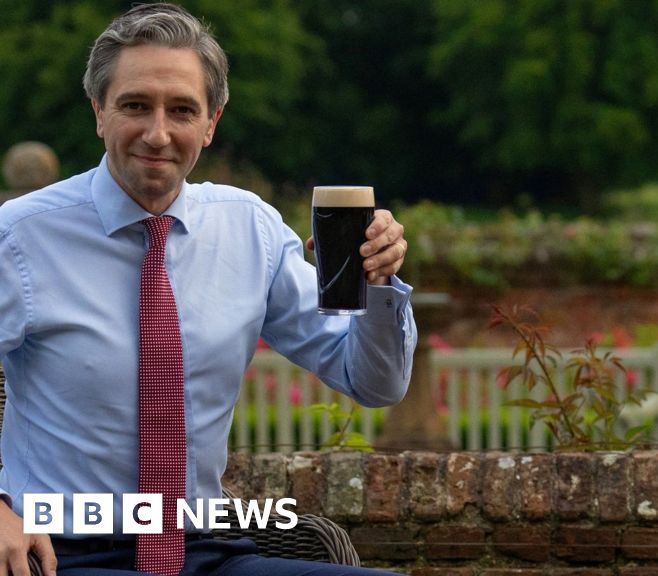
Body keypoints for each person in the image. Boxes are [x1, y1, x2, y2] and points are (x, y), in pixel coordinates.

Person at [0, 3, 416, 575]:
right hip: (65, 553)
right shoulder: (19, 237)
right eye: (135, 106)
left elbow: (374, 382)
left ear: (212, 121)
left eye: (182, 110)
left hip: (205, 549)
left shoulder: (252, 229)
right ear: (99, 112)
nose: (158, 133)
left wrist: (379, 286)